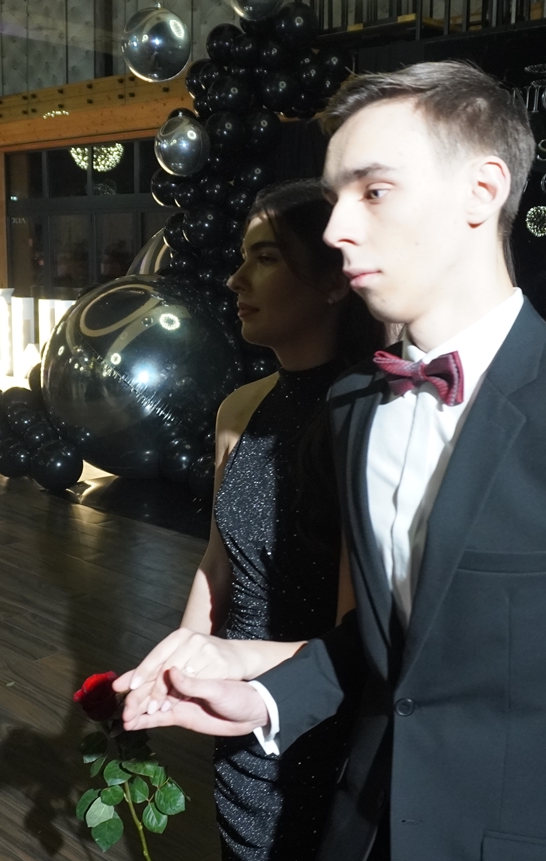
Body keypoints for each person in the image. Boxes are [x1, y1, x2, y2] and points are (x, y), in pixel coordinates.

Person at [121, 61, 546, 861]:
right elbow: (395, 642)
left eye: (374, 191)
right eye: (338, 196)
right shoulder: (355, 408)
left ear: (482, 191)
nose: (337, 229)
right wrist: (266, 696)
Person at [116, 181, 386, 861]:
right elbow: (218, 561)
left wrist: (229, 669)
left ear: (334, 282)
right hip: (233, 713)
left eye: (265, 258)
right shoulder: (238, 409)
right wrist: (176, 663)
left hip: (320, 713)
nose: (236, 278)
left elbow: (354, 637)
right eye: (241, 257)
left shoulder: (371, 421)